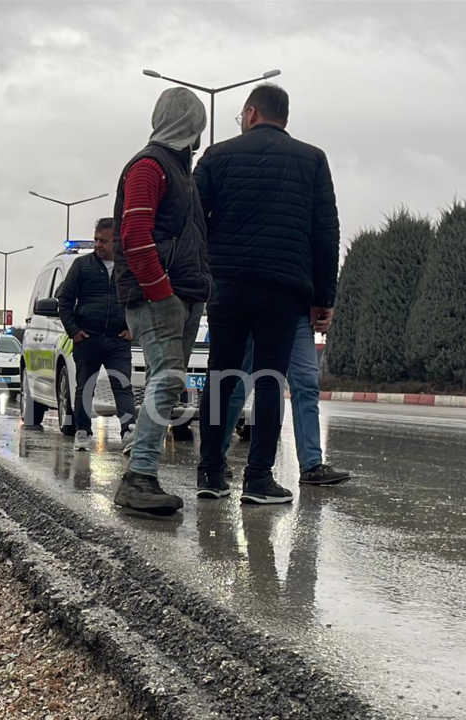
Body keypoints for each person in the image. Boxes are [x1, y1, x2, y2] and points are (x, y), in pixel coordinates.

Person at [194, 83, 342, 504]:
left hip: (227, 286)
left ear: (252, 113)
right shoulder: (312, 160)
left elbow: (194, 219)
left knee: (221, 376)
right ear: (285, 118)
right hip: (284, 288)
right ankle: (258, 478)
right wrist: (323, 299)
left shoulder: (216, 157)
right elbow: (325, 233)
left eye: (242, 116)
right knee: (270, 380)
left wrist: (207, 271)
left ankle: (210, 472)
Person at [110, 87, 212, 515]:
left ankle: (142, 474)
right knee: (168, 380)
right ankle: (138, 478)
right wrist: (162, 292)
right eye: (198, 126)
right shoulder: (150, 167)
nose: (199, 136)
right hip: (161, 294)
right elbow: (135, 234)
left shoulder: (178, 171)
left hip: (181, 293)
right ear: (189, 124)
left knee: (164, 382)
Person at [217, 333, 351, 487]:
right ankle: (216, 459)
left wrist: (323, 308)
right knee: (240, 384)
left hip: (300, 315)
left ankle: (311, 465)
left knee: (306, 385)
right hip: (256, 314)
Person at [54, 217, 137, 451]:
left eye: (103, 241)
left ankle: (128, 432)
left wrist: (134, 329)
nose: (98, 245)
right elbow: (65, 299)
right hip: (87, 339)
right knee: (85, 386)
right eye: (96, 240)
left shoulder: (128, 267)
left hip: (118, 340)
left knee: (122, 386)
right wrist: (74, 331)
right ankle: (82, 431)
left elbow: (142, 300)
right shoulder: (82, 266)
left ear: (117, 242)